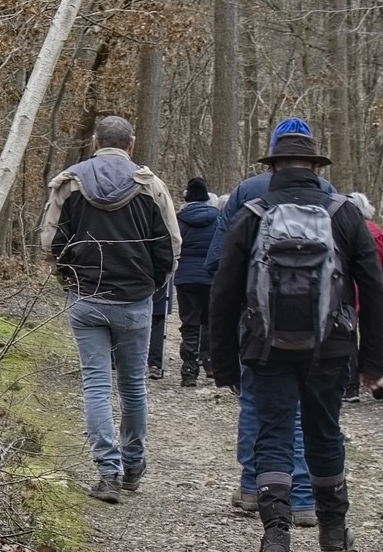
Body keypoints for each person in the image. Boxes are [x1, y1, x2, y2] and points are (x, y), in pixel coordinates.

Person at [208, 120, 383, 552]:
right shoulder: (344, 214)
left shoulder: (252, 214)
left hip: (265, 346)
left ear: (272, 168)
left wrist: (224, 363)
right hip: (331, 347)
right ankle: (333, 530)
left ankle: (275, 536)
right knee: (324, 433)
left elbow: (224, 292)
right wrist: (372, 362)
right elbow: (374, 288)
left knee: (273, 433)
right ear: (313, 166)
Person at [39, 114, 177, 503]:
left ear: (95, 142)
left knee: (96, 384)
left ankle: (108, 473)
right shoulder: (150, 186)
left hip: (86, 296)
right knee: (133, 386)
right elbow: (169, 245)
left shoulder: (69, 183)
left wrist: (68, 277)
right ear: (131, 143)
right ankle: (133, 465)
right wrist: (153, 283)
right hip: (135, 298)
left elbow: (50, 242)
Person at [216, 119, 337, 524]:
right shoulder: (332, 201)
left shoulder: (248, 196)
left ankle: (255, 488)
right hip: (322, 329)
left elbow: (220, 262)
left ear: (271, 160)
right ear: (314, 163)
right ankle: (303, 499)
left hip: (260, 324)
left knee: (259, 405)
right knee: (306, 412)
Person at [347, 193, 383, 400]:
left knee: (346, 333)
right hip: (372, 289)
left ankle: (349, 385)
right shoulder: (378, 233)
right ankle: (373, 378)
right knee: (374, 332)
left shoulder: (338, 232)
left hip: (344, 290)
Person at [172, 176, 221, 388]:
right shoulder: (219, 219)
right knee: (210, 321)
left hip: (186, 277)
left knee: (190, 323)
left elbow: (173, 246)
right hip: (211, 277)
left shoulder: (178, 219)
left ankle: (189, 371)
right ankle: (210, 364)